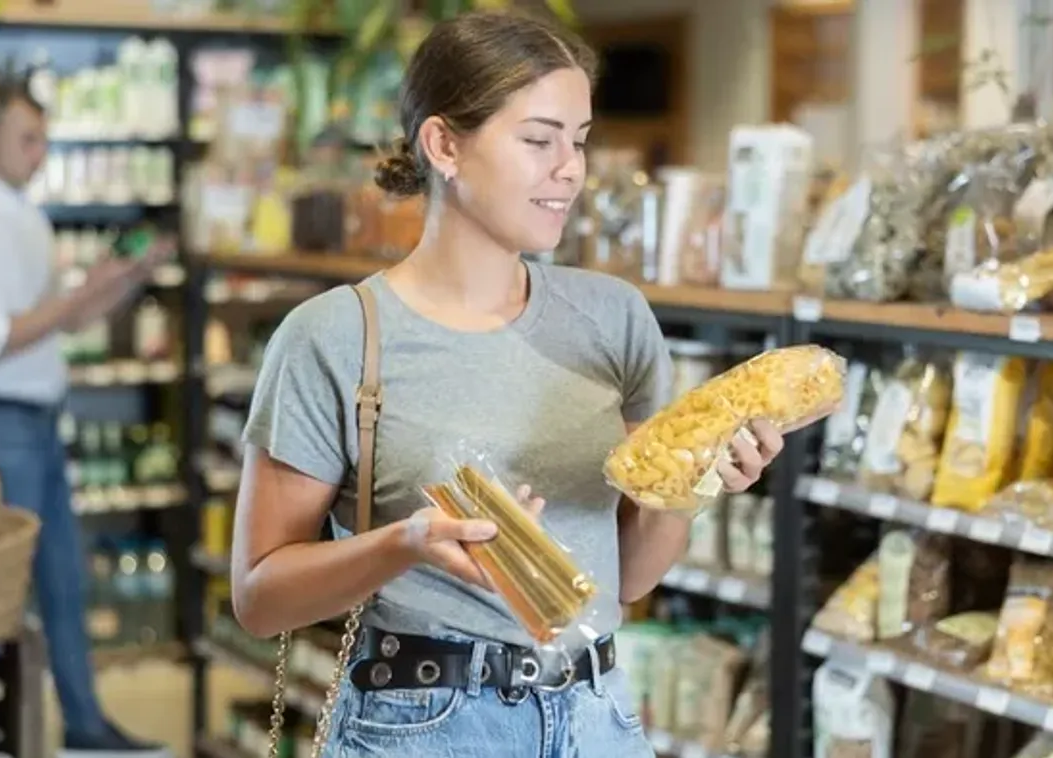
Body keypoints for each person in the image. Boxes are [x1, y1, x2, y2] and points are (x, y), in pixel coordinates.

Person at [231, 11, 793, 758]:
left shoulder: (613, 317)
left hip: (597, 719)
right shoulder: (335, 336)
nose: (570, 167)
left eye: (580, 140)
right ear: (443, 145)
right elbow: (260, 598)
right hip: (422, 724)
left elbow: (629, 579)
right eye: (538, 140)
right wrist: (405, 544)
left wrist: (691, 487)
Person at [0, 81, 173, 757]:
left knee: (65, 578)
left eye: (43, 139)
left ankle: (86, 727)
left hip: (39, 418)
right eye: (27, 138)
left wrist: (126, 278)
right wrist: (78, 298)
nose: (39, 154)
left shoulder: (28, 220)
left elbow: (66, 323)